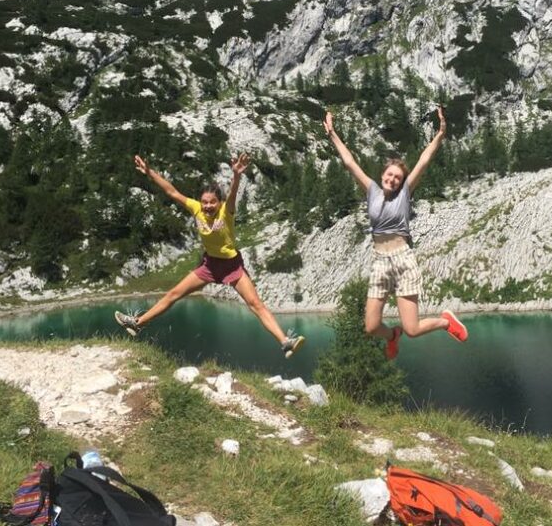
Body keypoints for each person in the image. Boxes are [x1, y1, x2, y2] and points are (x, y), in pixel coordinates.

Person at [114, 153, 306, 358]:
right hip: (209, 265)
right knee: (174, 294)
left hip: (233, 267)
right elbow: (171, 192)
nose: (207, 206)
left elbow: (232, 194)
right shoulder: (197, 209)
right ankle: (137, 324)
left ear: (219, 202)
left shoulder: (226, 211)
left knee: (255, 305)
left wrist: (237, 175)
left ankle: (285, 342)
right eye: (204, 202)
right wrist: (149, 172)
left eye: (212, 202)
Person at [324, 106, 468, 360]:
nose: (393, 179)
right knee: (370, 327)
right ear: (382, 175)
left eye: (398, 178)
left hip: (403, 259)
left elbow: (424, 161)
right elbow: (349, 162)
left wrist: (440, 134)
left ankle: (445, 321)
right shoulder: (371, 190)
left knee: (412, 329)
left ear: (402, 183)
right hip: (380, 261)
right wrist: (332, 133)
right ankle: (392, 336)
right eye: (390, 175)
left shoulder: (404, 195)